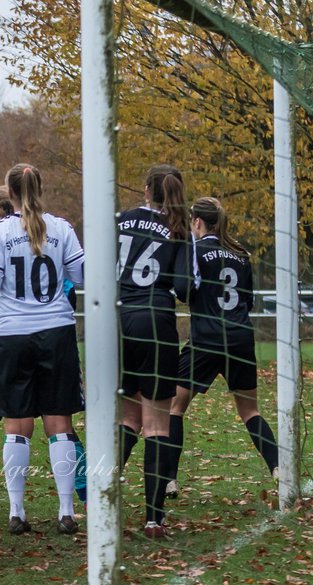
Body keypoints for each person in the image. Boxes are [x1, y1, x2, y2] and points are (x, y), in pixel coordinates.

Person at [0, 186, 86, 528]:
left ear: (1, 209)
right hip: (54, 340)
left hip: (2, 351)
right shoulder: (59, 230)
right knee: (61, 426)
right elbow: (71, 292)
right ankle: (76, 505)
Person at [165, 197, 279, 535]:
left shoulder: (196, 251)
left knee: (174, 405)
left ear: (197, 223)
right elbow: (247, 299)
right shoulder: (241, 254)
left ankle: (169, 478)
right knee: (250, 412)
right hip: (240, 339)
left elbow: (185, 292)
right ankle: (278, 470)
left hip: (207, 340)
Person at [115, 165, 189, 535]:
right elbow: (185, 288)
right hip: (156, 321)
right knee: (157, 424)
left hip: (118, 319)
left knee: (128, 419)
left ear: (146, 190)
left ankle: (102, 497)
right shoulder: (178, 230)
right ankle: (153, 517)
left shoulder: (120, 219)